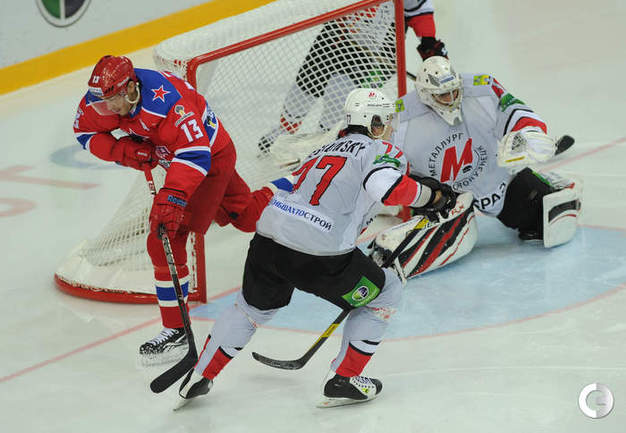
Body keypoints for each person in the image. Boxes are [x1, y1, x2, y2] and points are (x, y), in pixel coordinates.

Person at [174, 88, 456, 409]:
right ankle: (344, 379)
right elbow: (386, 187)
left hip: (269, 239)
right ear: (374, 122)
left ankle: (201, 373)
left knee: (249, 310)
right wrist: (433, 198)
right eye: (386, 120)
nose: (390, 127)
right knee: (386, 290)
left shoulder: (322, 149)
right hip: (320, 255)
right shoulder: (381, 148)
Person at [73, 55, 293, 365]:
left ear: (131, 88)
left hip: (209, 161)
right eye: (102, 102)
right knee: (246, 218)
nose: (107, 108)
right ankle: (295, 183)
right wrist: (124, 150)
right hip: (182, 159)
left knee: (164, 237)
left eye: (113, 101)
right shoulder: (104, 97)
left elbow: (195, 153)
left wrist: (173, 196)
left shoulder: (169, 104)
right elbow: (84, 132)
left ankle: (175, 330)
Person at [376, 56, 582, 280]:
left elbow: (515, 110)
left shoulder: (482, 87)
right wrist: (419, 195)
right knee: (430, 251)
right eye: (443, 95)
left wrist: (527, 134)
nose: (452, 99)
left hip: (491, 176)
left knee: (547, 219)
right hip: (440, 195)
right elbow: (383, 167)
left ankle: (545, 182)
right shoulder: (400, 117)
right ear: (426, 94)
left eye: (454, 91)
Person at [258, 0, 447, 153]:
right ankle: (285, 131)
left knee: (340, 96)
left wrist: (428, 39)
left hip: (375, 50)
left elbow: (418, 9)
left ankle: (324, 142)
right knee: (306, 84)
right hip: (337, 32)